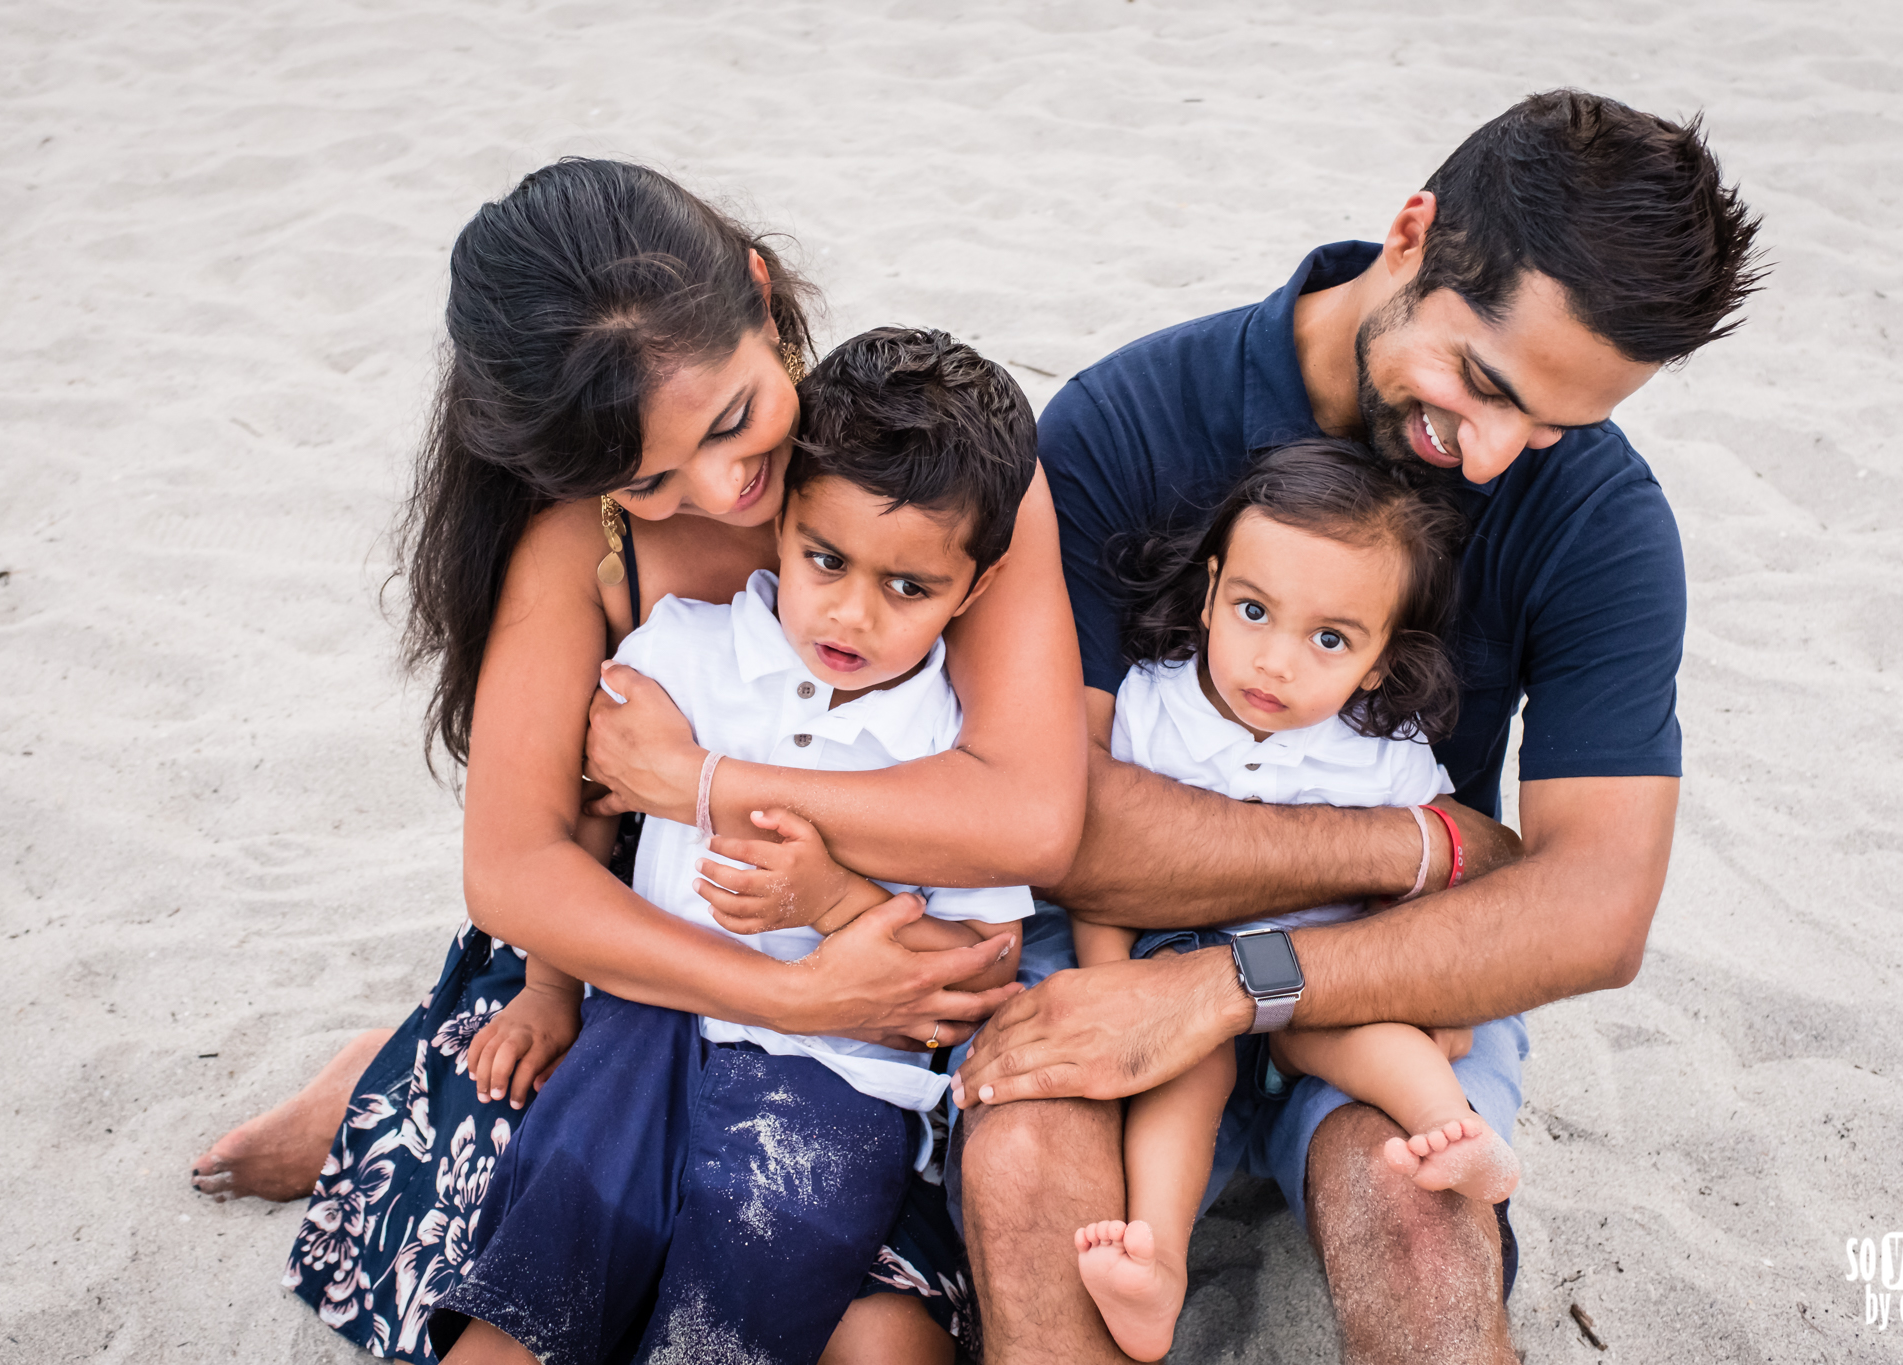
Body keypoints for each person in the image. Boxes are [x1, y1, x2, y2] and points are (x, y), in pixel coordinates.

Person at [198, 159, 1085, 1365]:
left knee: (856, 1323)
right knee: (525, 1257)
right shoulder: (592, 551)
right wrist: (781, 991)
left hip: (866, 1000)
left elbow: (1028, 818)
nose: (723, 489)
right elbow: (516, 870)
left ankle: (384, 1069)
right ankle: (384, 1075)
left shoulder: (930, 486)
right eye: (646, 478)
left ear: (763, 304)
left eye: (731, 420)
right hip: (633, 965)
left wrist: (700, 787)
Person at [951, 89, 1765, 1363]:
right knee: (1022, 1168)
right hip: (1159, 935)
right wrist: (1424, 847)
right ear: (1412, 234)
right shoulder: (1126, 419)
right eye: (1480, 383)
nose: (1494, 456)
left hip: (1374, 970)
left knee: (1422, 1221)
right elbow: (1054, 819)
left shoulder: (1602, 523)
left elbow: (1597, 914)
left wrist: (1230, 985)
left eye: (1552, 424)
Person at [432, 328, 1039, 1365]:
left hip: (839, 1081)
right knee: (549, 1254)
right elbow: (582, 818)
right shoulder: (684, 647)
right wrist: (549, 989)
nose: (852, 612)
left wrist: (835, 901)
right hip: (646, 1025)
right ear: (781, 525)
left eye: (909, 588)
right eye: (825, 559)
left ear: (972, 591)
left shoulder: (944, 739)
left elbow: (982, 960)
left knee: (744, 1294)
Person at [1068, 441, 1518, 1362]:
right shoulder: (1152, 708)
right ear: (1208, 592)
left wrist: (1440, 998)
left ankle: (1452, 1131)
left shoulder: (1383, 756)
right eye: (1253, 610)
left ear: (1380, 663)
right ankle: (1155, 1266)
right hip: (1180, 973)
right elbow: (1098, 869)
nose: (1274, 661)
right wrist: (1109, 982)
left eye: (1329, 639)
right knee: (1177, 1081)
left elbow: (1448, 872)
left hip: (1317, 989)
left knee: (1364, 1041)